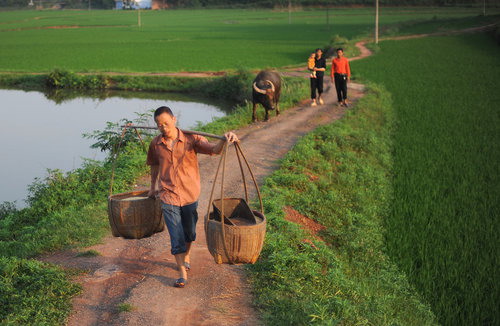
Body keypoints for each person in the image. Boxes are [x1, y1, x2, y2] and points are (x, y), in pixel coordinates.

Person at [146, 106, 238, 288]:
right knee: (176, 234)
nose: (163, 127)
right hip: (168, 195)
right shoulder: (156, 144)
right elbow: (154, 165)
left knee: (190, 232)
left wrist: (226, 139)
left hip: (189, 194)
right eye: (159, 125)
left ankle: (186, 254)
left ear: (174, 119)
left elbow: (214, 150)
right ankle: (181, 273)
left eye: (166, 123)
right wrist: (152, 186)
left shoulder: (192, 138)